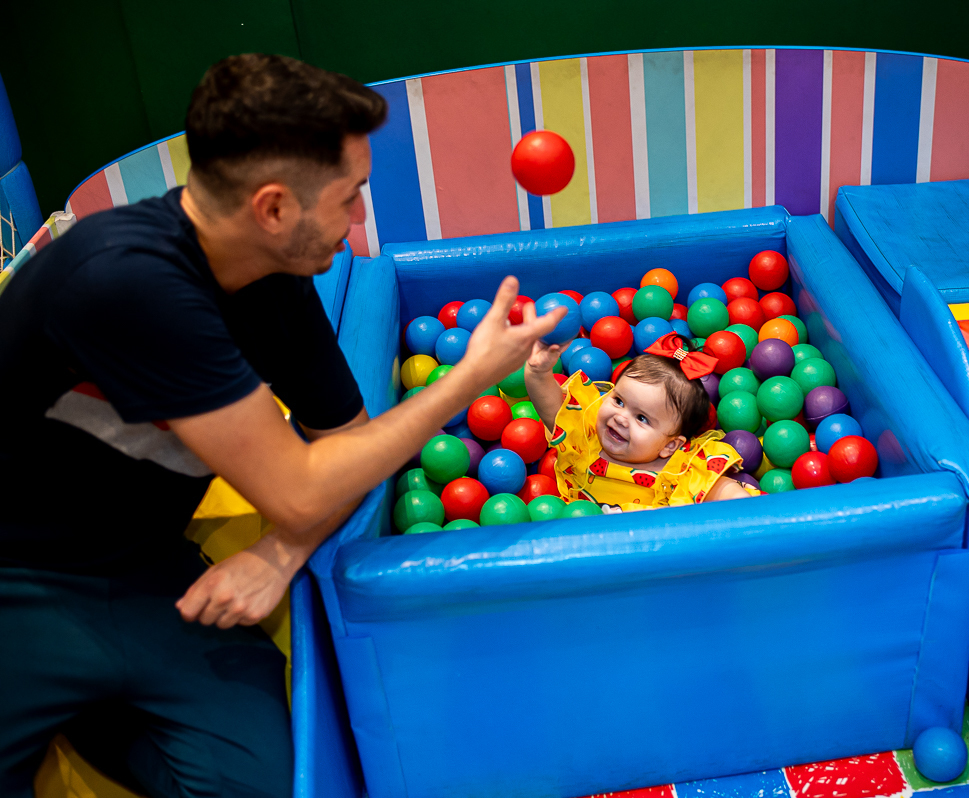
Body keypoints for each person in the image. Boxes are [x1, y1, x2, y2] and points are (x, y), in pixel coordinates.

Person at [0, 54, 563, 798]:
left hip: (143, 573)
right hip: (18, 575)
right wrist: (468, 378)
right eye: (348, 197)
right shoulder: (127, 281)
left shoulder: (273, 280)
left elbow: (347, 446)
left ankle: (93, 707)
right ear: (272, 209)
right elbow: (300, 489)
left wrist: (281, 552)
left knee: (263, 784)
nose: (357, 219)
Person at [525, 332, 754, 510]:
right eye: (619, 401)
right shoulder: (586, 437)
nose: (621, 418)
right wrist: (537, 372)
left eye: (642, 418)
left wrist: (742, 505)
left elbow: (723, 490)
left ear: (670, 446)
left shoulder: (680, 471)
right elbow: (552, 408)